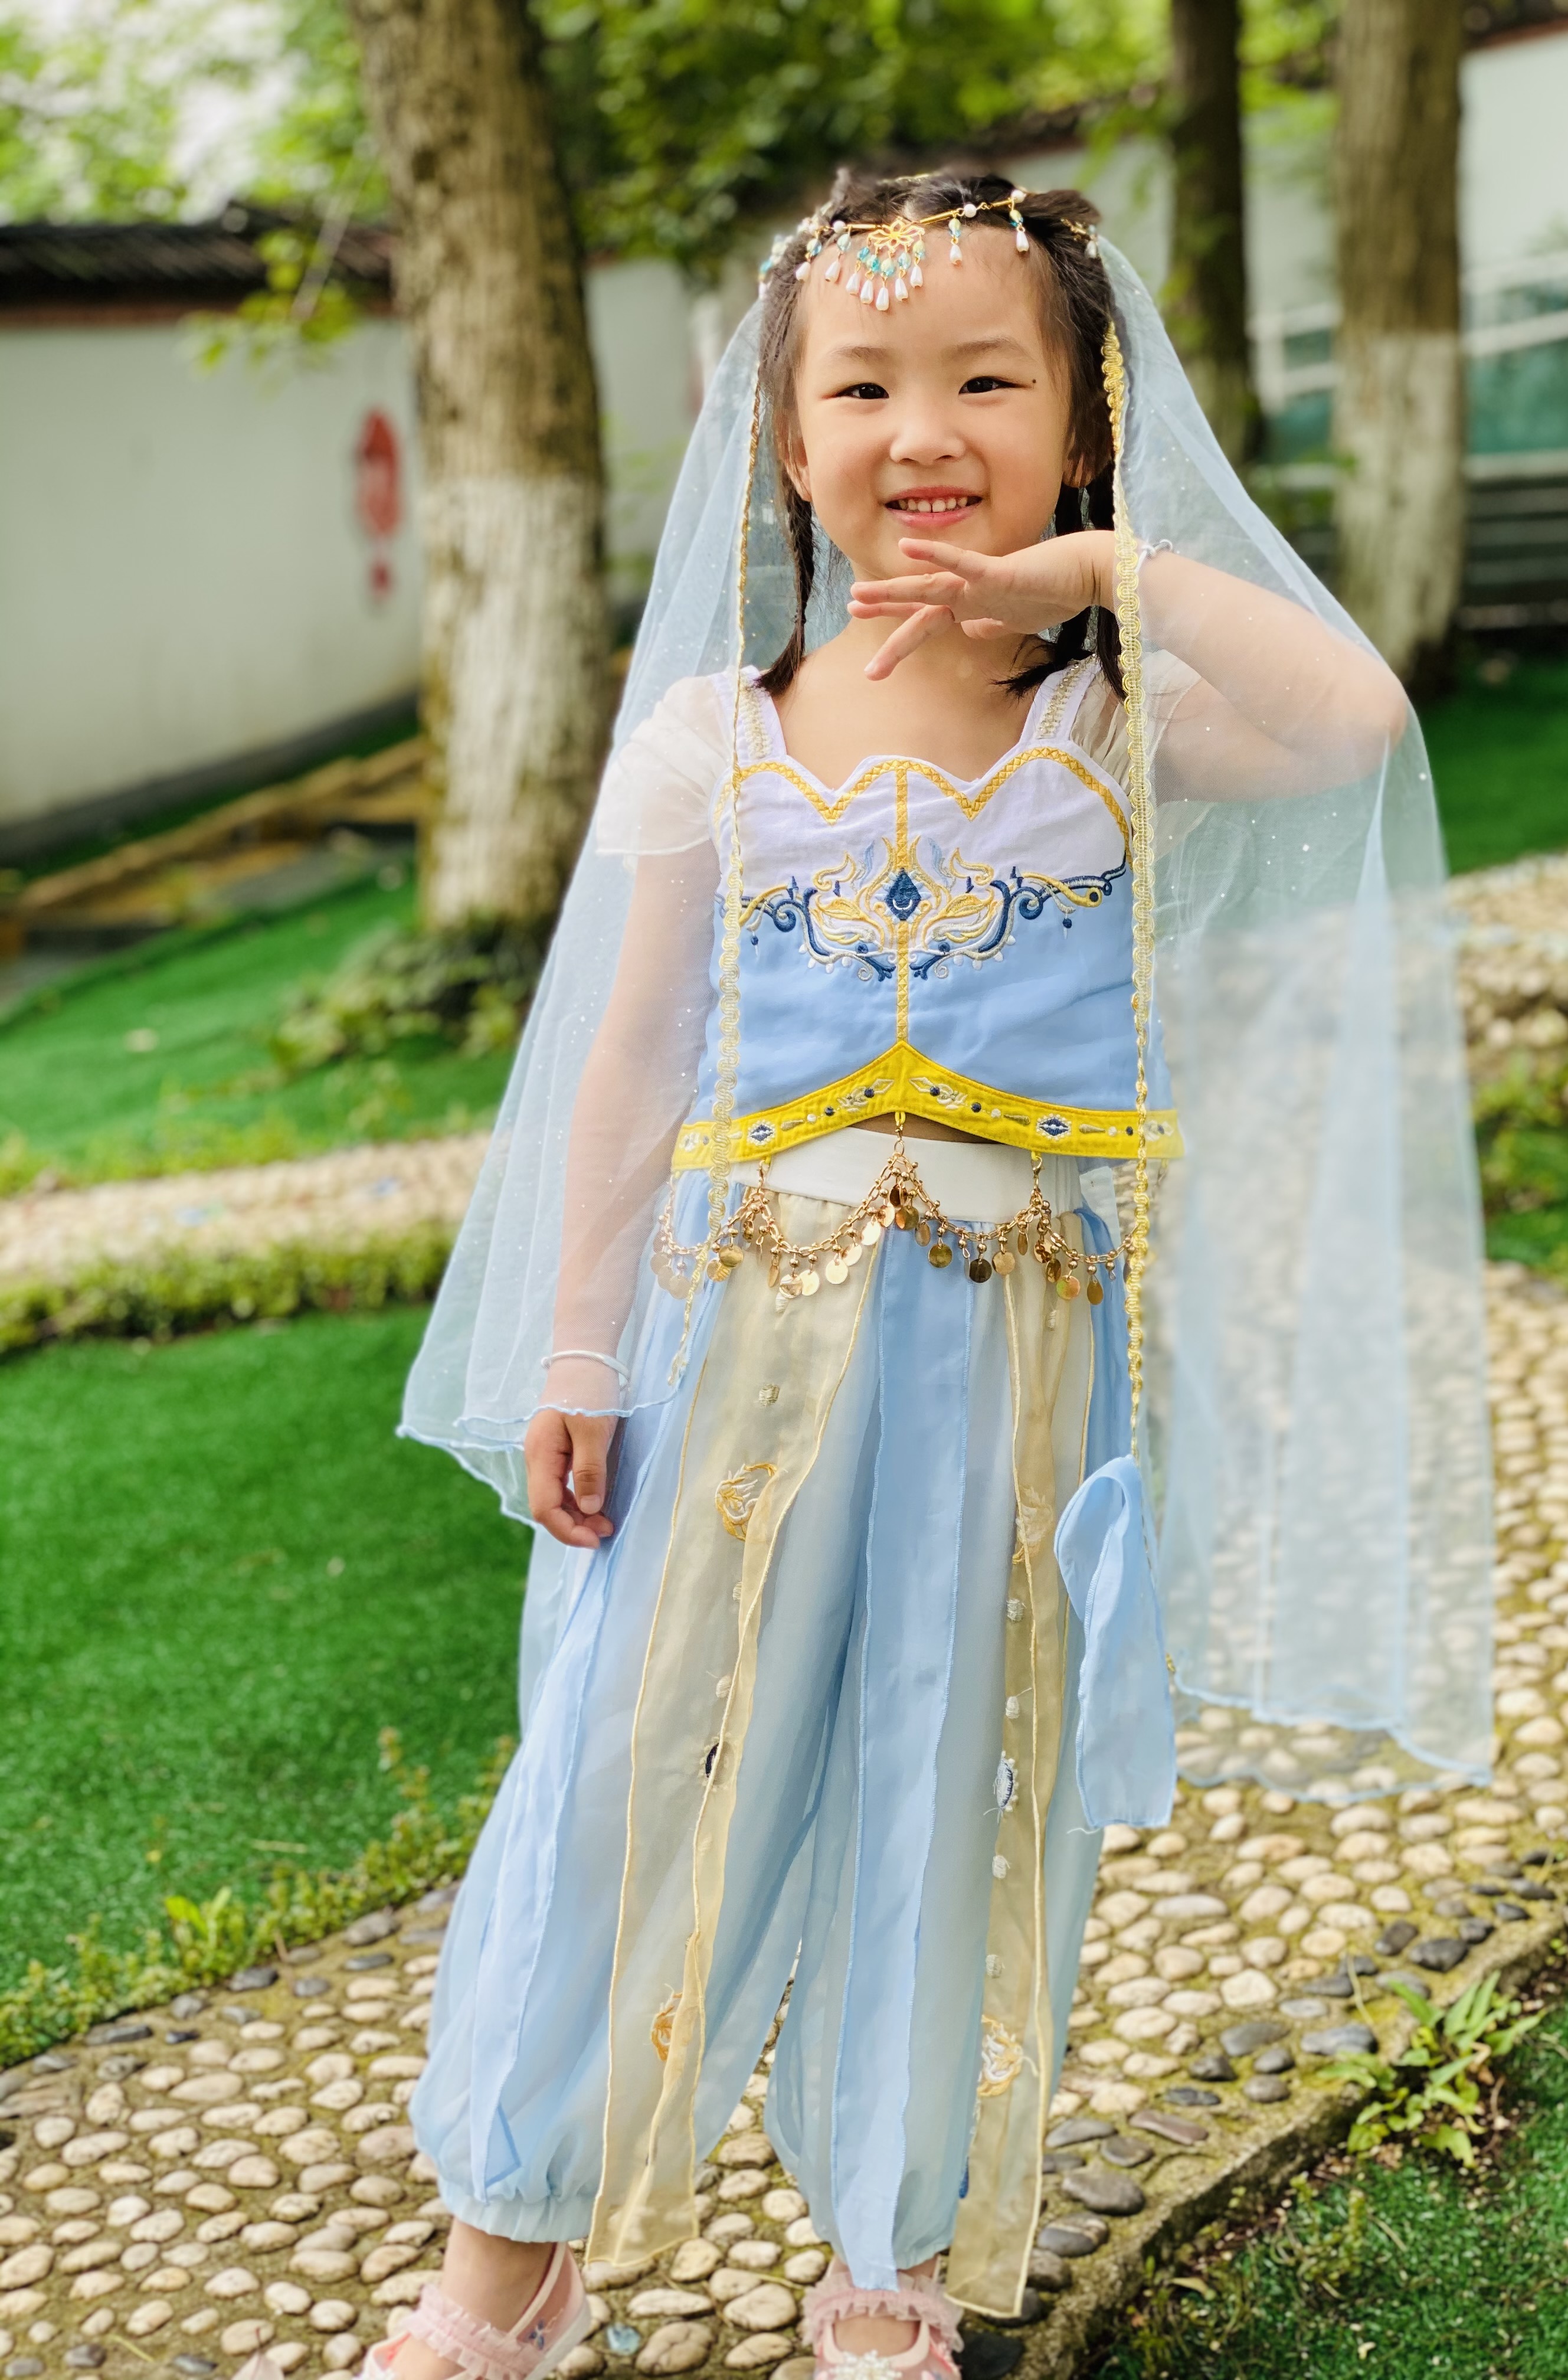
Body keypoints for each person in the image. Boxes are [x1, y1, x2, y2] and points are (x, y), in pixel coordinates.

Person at [385, 169, 1495, 2380]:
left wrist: (1111, 578)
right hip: (729, 1349)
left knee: (953, 1771)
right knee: (629, 1764)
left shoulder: (1121, 728)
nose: (924, 430)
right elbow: (630, 1061)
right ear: (783, 438)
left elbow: (1358, 719)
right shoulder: (716, 734)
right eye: (864, 386)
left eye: (990, 381)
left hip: (1008, 1371)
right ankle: (512, 2254)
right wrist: (580, 1351)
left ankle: (891, 2257)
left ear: (1083, 426)